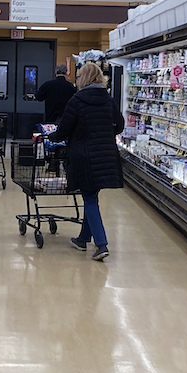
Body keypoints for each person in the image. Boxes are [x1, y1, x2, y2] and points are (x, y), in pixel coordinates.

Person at [48, 61, 124, 261]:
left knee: (89, 197)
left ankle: (101, 244)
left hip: (84, 155)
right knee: (92, 196)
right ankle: (83, 239)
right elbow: (119, 125)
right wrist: (105, 134)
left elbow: (64, 129)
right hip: (105, 155)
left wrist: (52, 137)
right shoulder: (108, 100)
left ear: (84, 78)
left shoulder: (77, 100)